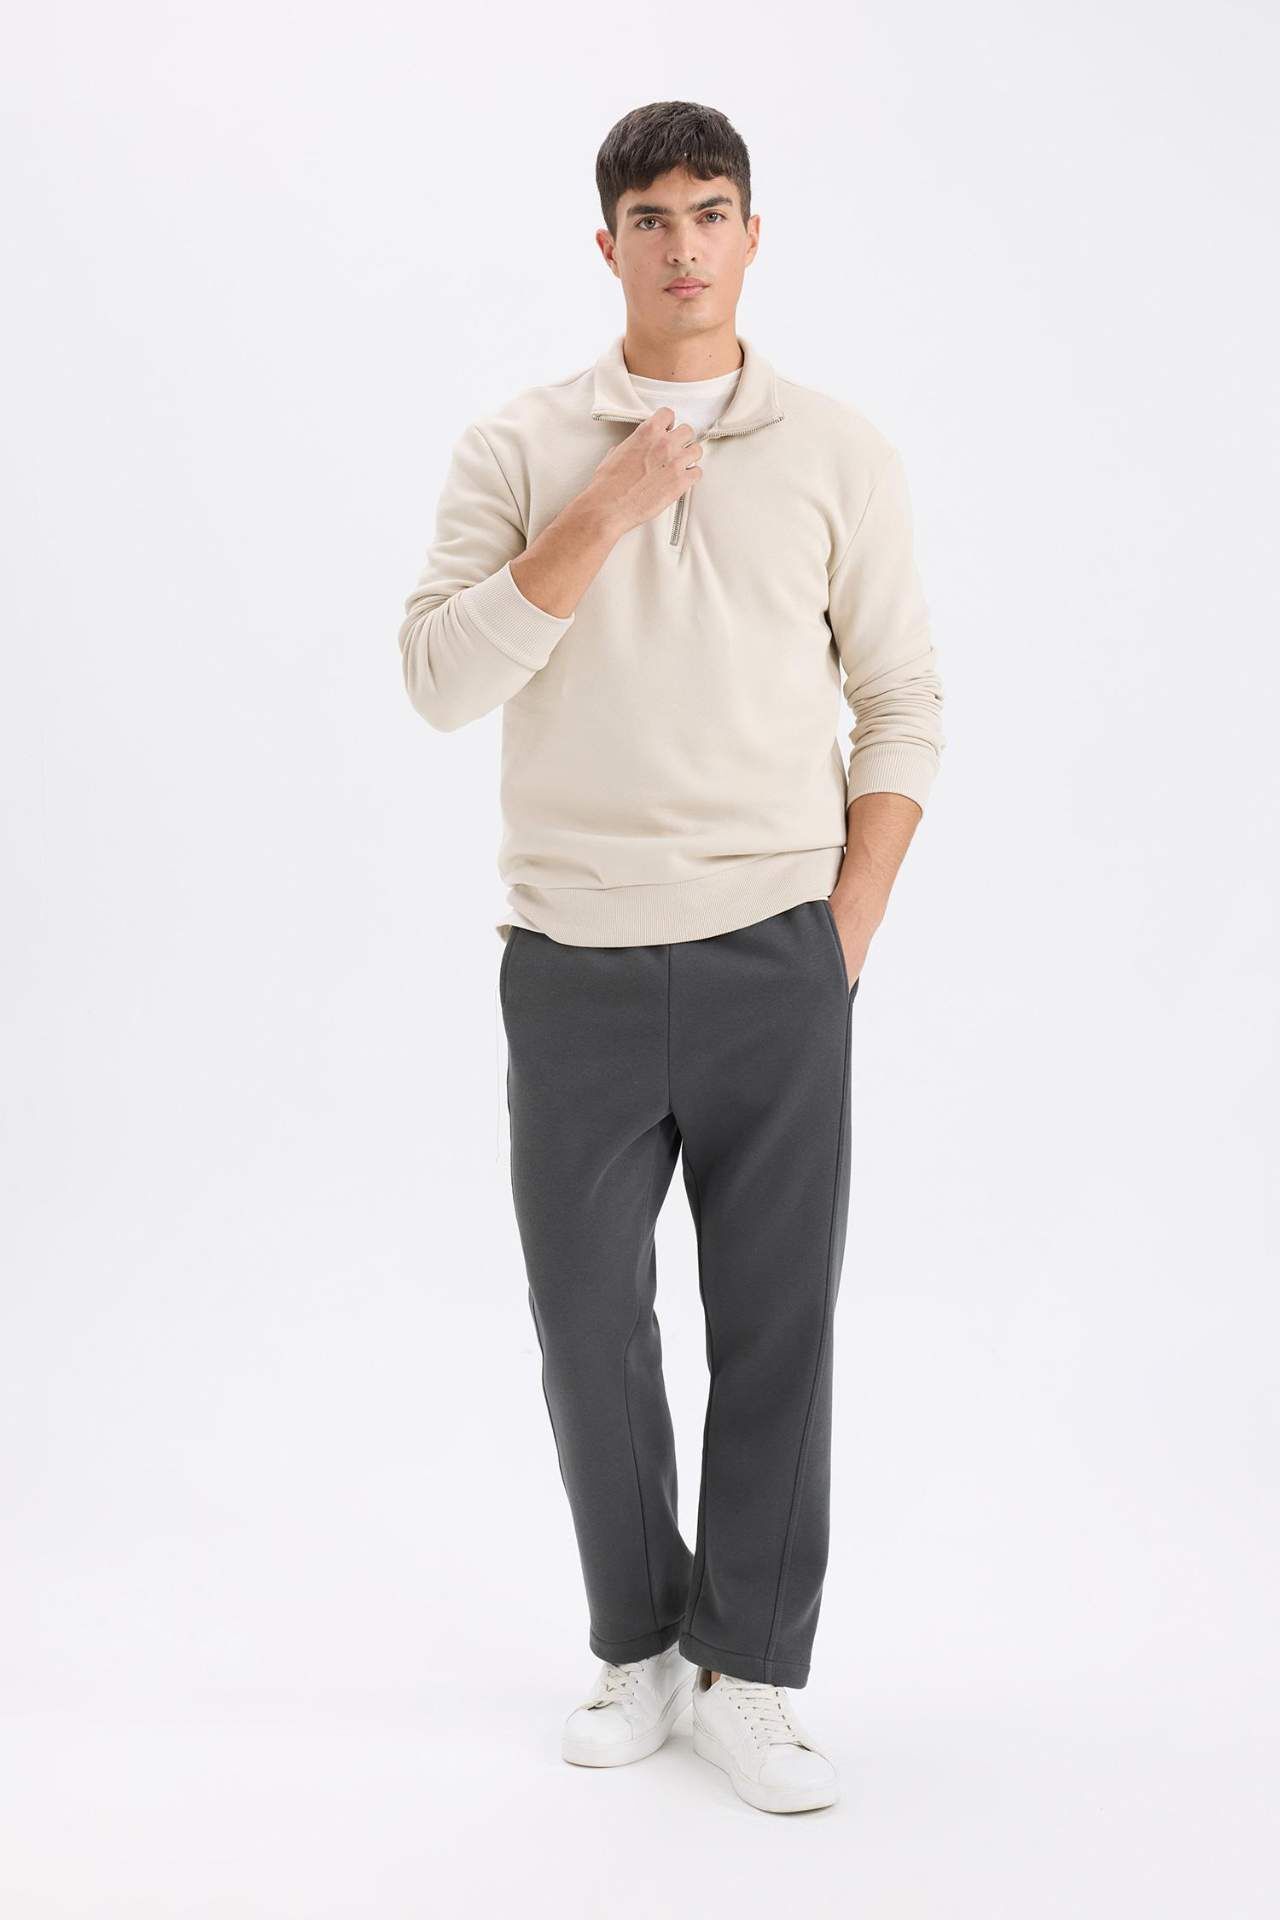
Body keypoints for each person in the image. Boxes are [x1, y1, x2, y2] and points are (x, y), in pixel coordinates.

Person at [397, 99, 945, 1815]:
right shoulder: (520, 444)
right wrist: (608, 507)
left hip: (776, 956)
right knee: (589, 1328)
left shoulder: (840, 449)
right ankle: (638, 1645)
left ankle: (752, 1673)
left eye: (713, 212)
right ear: (609, 244)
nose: (685, 244)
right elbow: (438, 679)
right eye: (652, 217)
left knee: (779, 1330)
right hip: (573, 959)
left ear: (753, 236)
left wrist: (843, 934)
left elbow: (902, 702)